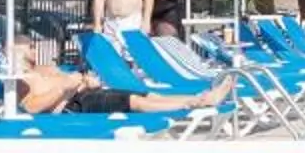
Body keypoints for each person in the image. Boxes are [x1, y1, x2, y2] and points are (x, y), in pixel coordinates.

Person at [12, 52, 234, 119]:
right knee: (136, 102)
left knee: (150, 95)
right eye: (26, 47)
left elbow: (69, 84)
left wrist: (85, 83)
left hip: (84, 96)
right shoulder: (19, 80)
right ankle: (197, 102)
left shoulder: (43, 69)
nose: (32, 49)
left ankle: (201, 98)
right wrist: (66, 87)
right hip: (74, 108)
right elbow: (31, 107)